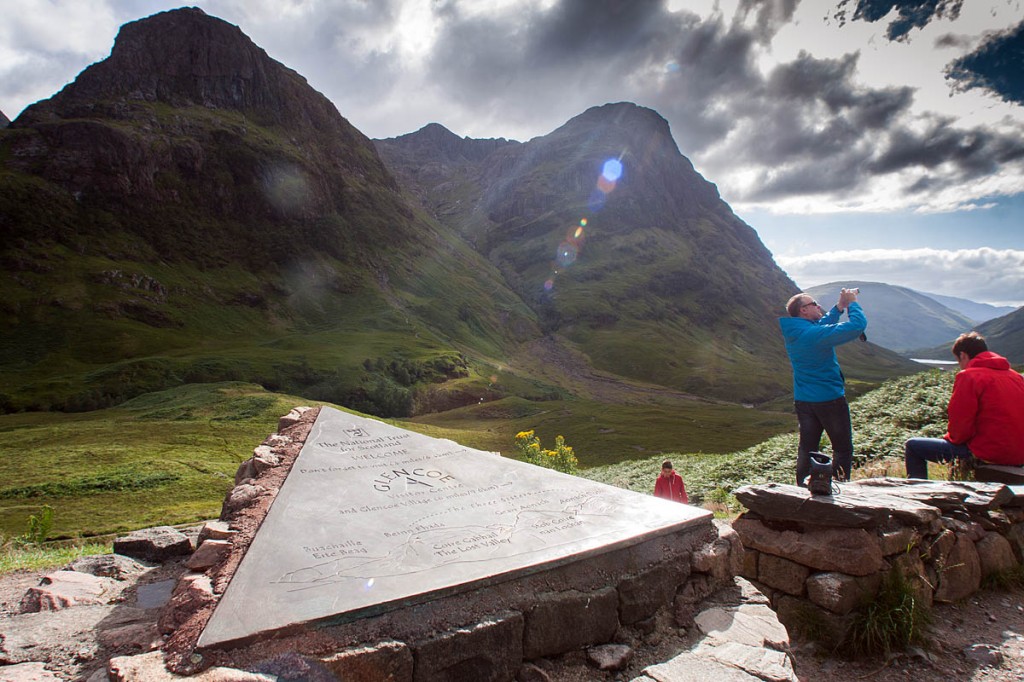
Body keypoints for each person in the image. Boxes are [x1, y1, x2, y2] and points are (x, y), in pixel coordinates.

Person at [905, 332, 1024, 479]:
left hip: (989, 453)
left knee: (913, 446)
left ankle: (917, 495)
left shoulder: (969, 376)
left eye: (958, 361)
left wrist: (951, 439)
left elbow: (960, 427)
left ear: (963, 355)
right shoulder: (1016, 377)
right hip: (1019, 454)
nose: (960, 366)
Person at [779, 288, 866, 486]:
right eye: (814, 304)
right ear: (803, 311)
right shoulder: (813, 334)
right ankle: (839, 487)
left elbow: (819, 326)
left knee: (807, 448)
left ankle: (801, 487)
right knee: (842, 448)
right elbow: (857, 326)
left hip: (804, 400)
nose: (818, 307)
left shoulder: (797, 331)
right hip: (829, 399)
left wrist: (838, 307)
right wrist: (852, 303)